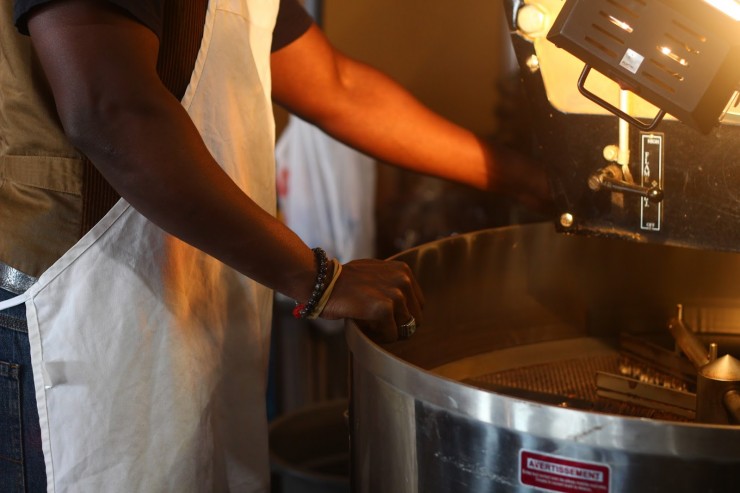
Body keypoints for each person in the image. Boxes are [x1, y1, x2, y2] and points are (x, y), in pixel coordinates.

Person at [0, 0, 550, 491]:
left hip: (191, 291)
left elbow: (337, 87)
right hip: (83, 304)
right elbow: (109, 110)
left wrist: (533, 181)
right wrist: (314, 277)